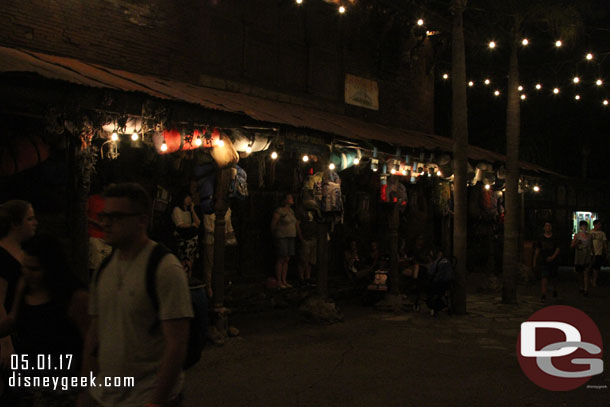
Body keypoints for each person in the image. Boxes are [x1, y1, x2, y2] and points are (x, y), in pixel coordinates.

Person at [79, 183, 193, 407]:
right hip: (106, 397)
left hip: (146, 396)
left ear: (141, 220)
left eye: (116, 216)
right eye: (104, 216)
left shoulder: (164, 268)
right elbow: (94, 335)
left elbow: (177, 344)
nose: (106, 223)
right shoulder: (104, 269)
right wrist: (86, 390)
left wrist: (155, 402)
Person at [11, 234, 89, 406]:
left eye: (34, 269)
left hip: (61, 384)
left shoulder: (75, 297)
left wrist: (84, 389)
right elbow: (13, 320)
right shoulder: (24, 285)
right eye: (24, 267)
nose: (27, 273)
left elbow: (90, 345)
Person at [0, 200, 37, 402]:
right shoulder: (2, 256)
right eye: (29, 219)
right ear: (15, 224)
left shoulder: (25, 254)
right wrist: (5, 344)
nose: (34, 223)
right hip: (12, 336)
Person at [171, 191, 201, 279]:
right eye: (187, 197)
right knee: (184, 262)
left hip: (191, 239)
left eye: (190, 198)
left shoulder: (188, 211)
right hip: (183, 240)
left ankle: (189, 278)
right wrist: (191, 225)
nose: (189, 199)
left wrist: (192, 210)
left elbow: (198, 222)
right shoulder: (177, 209)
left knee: (190, 261)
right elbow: (179, 224)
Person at [271, 193, 298, 289]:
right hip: (282, 236)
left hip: (291, 236)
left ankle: (284, 280)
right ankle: (279, 281)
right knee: (281, 258)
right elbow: (273, 224)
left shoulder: (291, 211)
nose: (292, 199)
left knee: (287, 258)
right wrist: (274, 234)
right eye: (290, 198)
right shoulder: (279, 211)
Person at [534, 221, 560, 302]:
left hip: (553, 260)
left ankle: (554, 290)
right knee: (544, 276)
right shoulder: (540, 238)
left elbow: (557, 248)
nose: (547, 228)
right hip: (544, 259)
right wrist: (534, 260)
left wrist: (553, 257)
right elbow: (538, 249)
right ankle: (543, 293)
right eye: (546, 226)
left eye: (549, 226)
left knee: (553, 277)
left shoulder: (555, 237)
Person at [296, 201, 317, 287]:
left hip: (313, 238)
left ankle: (308, 278)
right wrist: (301, 238)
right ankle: (301, 278)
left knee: (310, 261)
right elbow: (297, 224)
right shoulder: (301, 211)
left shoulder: (315, 210)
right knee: (303, 259)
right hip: (306, 238)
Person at [571, 220, 592, 296]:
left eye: (585, 226)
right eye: (583, 226)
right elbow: (572, 245)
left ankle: (586, 289)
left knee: (586, 272)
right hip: (579, 255)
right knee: (580, 273)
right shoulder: (577, 235)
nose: (584, 228)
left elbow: (591, 246)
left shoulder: (589, 236)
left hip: (586, 255)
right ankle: (581, 286)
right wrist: (577, 242)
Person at [590, 219, 607, 289]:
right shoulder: (590, 232)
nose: (600, 225)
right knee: (590, 267)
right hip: (591, 253)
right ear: (595, 224)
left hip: (598, 252)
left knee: (596, 268)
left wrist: (606, 251)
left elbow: (604, 243)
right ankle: (591, 279)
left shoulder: (602, 233)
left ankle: (594, 281)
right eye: (599, 224)